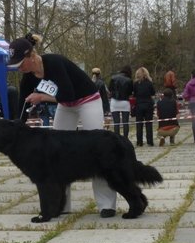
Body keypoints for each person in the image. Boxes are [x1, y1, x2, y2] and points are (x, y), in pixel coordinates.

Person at [8, 32, 118, 218]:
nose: (18, 68)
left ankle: (106, 204)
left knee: (98, 149)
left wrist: (41, 97)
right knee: (56, 153)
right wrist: (16, 128)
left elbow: (69, 93)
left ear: (31, 56)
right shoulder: (28, 76)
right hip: (65, 106)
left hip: (87, 100)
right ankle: (60, 204)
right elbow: (23, 103)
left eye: (20, 63)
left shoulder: (54, 62)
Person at [133, 67, 156, 147]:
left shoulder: (135, 84)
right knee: (149, 123)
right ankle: (150, 141)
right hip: (148, 104)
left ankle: (139, 141)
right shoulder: (149, 83)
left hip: (139, 104)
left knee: (139, 124)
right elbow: (153, 92)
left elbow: (134, 94)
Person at [108, 65, 133, 138]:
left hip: (115, 101)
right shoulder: (129, 80)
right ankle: (125, 139)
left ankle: (117, 139)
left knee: (116, 123)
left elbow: (110, 89)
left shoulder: (113, 78)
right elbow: (130, 92)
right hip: (125, 102)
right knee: (125, 122)